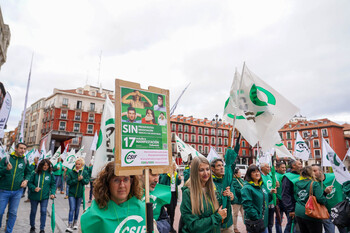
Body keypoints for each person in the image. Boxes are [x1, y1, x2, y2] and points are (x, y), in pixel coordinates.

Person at [80, 162, 145, 232]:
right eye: (116, 180)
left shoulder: (143, 210)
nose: (122, 185)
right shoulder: (93, 215)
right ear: (107, 183)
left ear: (131, 182)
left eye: (126, 179)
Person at [180, 156, 227, 233]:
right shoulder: (188, 193)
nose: (206, 173)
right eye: (201, 170)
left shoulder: (213, 189)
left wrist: (227, 200)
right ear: (195, 172)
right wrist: (217, 217)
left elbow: (224, 220)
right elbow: (193, 226)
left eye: (207, 169)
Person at [0, 143, 31, 233]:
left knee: (13, 213)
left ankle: (9, 231)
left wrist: (26, 180)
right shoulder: (7, 159)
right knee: (0, 212)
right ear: (16, 149)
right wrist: (6, 169)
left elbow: (28, 173)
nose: (23, 150)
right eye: (21, 148)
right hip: (4, 190)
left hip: (17, 191)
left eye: (24, 149)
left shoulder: (25, 160)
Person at [241, 164, 276, 233]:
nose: (257, 173)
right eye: (254, 172)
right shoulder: (247, 188)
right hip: (255, 223)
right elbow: (247, 206)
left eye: (258, 171)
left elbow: (266, 199)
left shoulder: (261, 185)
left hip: (263, 222)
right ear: (249, 174)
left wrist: (271, 193)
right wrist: (257, 217)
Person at [311, 164, 345, 233]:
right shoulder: (313, 184)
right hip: (325, 212)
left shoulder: (334, 177)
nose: (313, 173)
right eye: (311, 171)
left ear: (321, 171)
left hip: (340, 210)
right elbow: (316, 199)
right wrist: (325, 192)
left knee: (344, 231)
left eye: (315, 171)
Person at [294, 166, 327, 233]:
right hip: (311, 213)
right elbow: (321, 199)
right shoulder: (314, 184)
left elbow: (295, 197)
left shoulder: (297, 183)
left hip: (299, 212)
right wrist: (325, 195)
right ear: (311, 173)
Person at [28, 159, 56, 233]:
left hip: (44, 197)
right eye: (44, 165)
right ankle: (32, 226)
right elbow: (29, 183)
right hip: (34, 197)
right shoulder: (35, 173)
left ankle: (42, 229)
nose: (45, 167)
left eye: (47, 165)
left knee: (43, 211)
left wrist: (52, 193)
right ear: (41, 165)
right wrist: (34, 188)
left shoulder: (50, 174)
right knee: (33, 211)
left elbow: (53, 184)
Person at [211, 158, 235, 233]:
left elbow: (234, 199)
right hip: (216, 223)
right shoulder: (209, 183)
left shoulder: (227, 181)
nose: (222, 167)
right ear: (212, 169)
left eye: (222, 165)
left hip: (228, 223)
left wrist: (232, 197)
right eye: (218, 166)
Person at [65, 158, 90, 232]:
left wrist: (82, 179)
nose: (77, 165)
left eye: (79, 164)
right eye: (76, 164)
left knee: (77, 209)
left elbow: (86, 181)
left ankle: (75, 222)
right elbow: (69, 182)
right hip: (72, 194)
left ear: (81, 165)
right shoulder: (71, 172)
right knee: (72, 208)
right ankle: (69, 224)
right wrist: (77, 180)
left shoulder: (84, 172)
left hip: (79, 194)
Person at [159, 162, 182, 233]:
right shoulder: (165, 174)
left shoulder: (175, 174)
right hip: (167, 194)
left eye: (175, 166)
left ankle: (171, 226)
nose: (175, 167)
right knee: (170, 210)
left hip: (174, 193)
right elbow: (161, 182)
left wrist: (179, 179)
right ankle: (168, 225)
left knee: (173, 210)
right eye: (174, 166)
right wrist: (166, 176)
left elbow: (177, 183)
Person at [281, 159, 302, 233]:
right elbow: (285, 194)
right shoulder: (287, 177)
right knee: (291, 227)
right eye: (299, 164)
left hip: (301, 208)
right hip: (293, 208)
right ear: (293, 165)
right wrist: (291, 209)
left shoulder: (301, 176)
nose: (301, 166)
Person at [260, 163, 276, 233]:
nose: (269, 168)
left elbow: (273, 186)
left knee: (270, 222)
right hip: (264, 203)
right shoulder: (260, 177)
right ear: (262, 168)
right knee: (265, 222)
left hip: (271, 202)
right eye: (267, 167)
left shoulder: (270, 176)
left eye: (269, 167)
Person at [275, 161, 287, 233]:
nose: (284, 169)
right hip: (278, 201)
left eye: (285, 167)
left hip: (286, 201)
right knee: (278, 220)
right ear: (277, 168)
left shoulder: (287, 175)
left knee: (290, 219)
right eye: (282, 167)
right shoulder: (273, 175)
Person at [232, 168, 244, 233]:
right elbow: (237, 190)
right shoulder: (234, 180)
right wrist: (244, 191)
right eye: (239, 172)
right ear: (236, 174)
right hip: (237, 201)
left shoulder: (240, 180)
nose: (240, 173)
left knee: (244, 214)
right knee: (235, 214)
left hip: (242, 200)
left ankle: (247, 226)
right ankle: (234, 227)